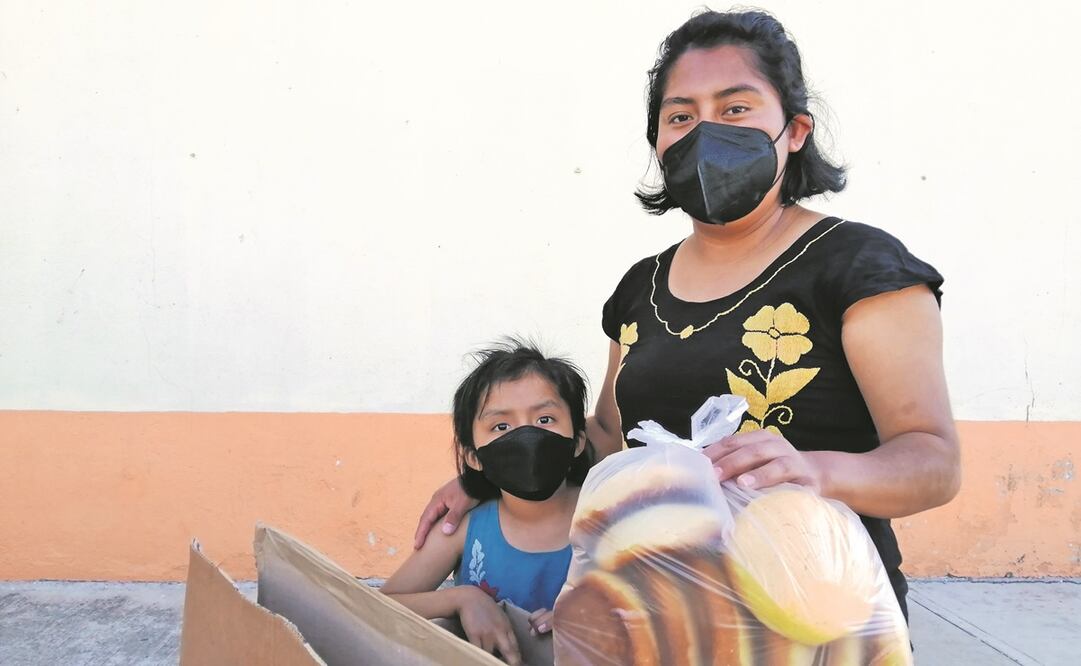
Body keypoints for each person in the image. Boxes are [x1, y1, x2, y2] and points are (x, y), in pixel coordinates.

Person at [414, 9, 960, 622]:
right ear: (660, 145)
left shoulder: (859, 267)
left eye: (735, 109)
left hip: (819, 619)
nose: (706, 133)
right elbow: (605, 437)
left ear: (796, 130)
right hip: (655, 622)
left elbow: (932, 462)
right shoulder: (639, 289)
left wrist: (812, 470)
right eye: (681, 116)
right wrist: (484, 481)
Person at [383, 341, 593, 664]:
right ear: (473, 457)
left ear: (578, 441)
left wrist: (597, 619)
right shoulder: (464, 528)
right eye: (502, 426)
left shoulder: (608, 519)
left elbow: (655, 605)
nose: (527, 436)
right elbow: (379, 604)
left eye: (545, 419)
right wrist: (461, 599)